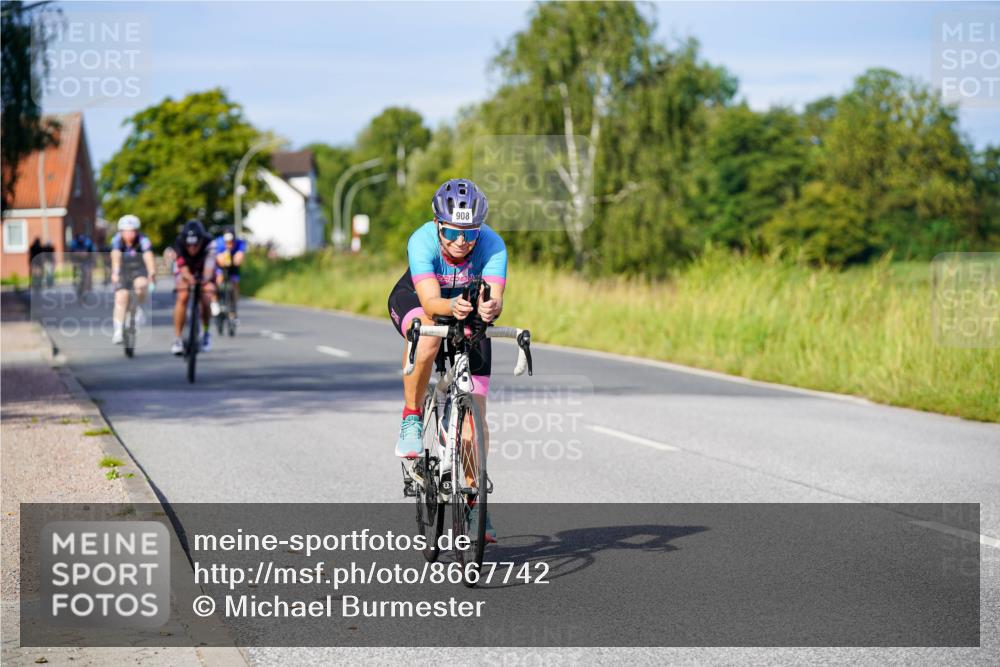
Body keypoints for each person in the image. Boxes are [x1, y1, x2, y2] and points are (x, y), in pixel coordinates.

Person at [386, 178, 506, 542]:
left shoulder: (493, 245)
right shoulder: (422, 240)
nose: (461, 242)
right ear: (439, 224)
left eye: (470, 233)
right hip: (421, 302)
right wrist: (450, 309)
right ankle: (411, 416)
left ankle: (472, 505)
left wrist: (489, 306)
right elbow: (431, 300)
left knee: (476, 420)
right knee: (426, 339)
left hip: (465, 311)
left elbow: (495, 296)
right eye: (453, 232)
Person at [170, 220, 216, 355]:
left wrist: (203, 281)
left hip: (203, 270)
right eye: (189, 244)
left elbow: (208, 269)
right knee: (183, 295)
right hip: (186, 270)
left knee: (206, 297)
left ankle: (206, 333)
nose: (192, 248)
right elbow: (183, 270)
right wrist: (190, 280)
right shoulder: (178, 243)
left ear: (202, 240)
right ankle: (177, 338)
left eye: (196, 244)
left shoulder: (210, 244)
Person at [109, 215, 156, 344]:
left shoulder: (143, 240)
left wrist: (151, 272)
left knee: (141, 286)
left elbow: (148, 256)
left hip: (139, 269)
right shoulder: (116, 240)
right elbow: (116, 256)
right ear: (121, 231)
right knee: (120, 297)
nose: (130, 234)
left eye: (133, 230)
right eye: (127, 231)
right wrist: (115, 272)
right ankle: (118, 331)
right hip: (123, 271)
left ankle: (139, 307)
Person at [210, 226, 246, 321]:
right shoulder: (219, 242)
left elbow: (240, 256)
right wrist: (223, 258)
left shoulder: (239, 243)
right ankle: (215, 301)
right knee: (218, 279)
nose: (229, 244)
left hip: (233, 266)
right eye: (227, 242)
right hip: (221, 265)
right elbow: (217, 257)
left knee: (234, 285)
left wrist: (237, 258)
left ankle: (233, 308)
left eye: (231, 242)